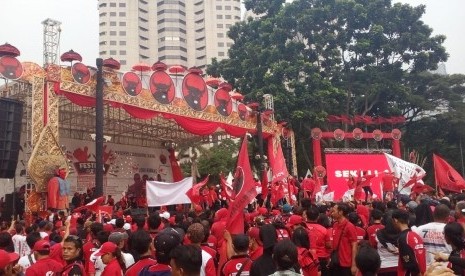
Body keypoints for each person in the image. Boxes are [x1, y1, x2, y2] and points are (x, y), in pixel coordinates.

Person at [392, 209, 426, 276]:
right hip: (423, 272)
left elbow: (410, 263)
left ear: (395, 220)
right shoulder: (416, 235)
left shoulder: (403, 238)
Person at [329, 203, 358, 276]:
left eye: (334, 211)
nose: (332, 213)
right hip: (335, 262)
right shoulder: (335, 225)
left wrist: (354, 265)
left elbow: (354, 245)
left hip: (346, 264)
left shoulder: (349, 226)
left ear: (341, 212)